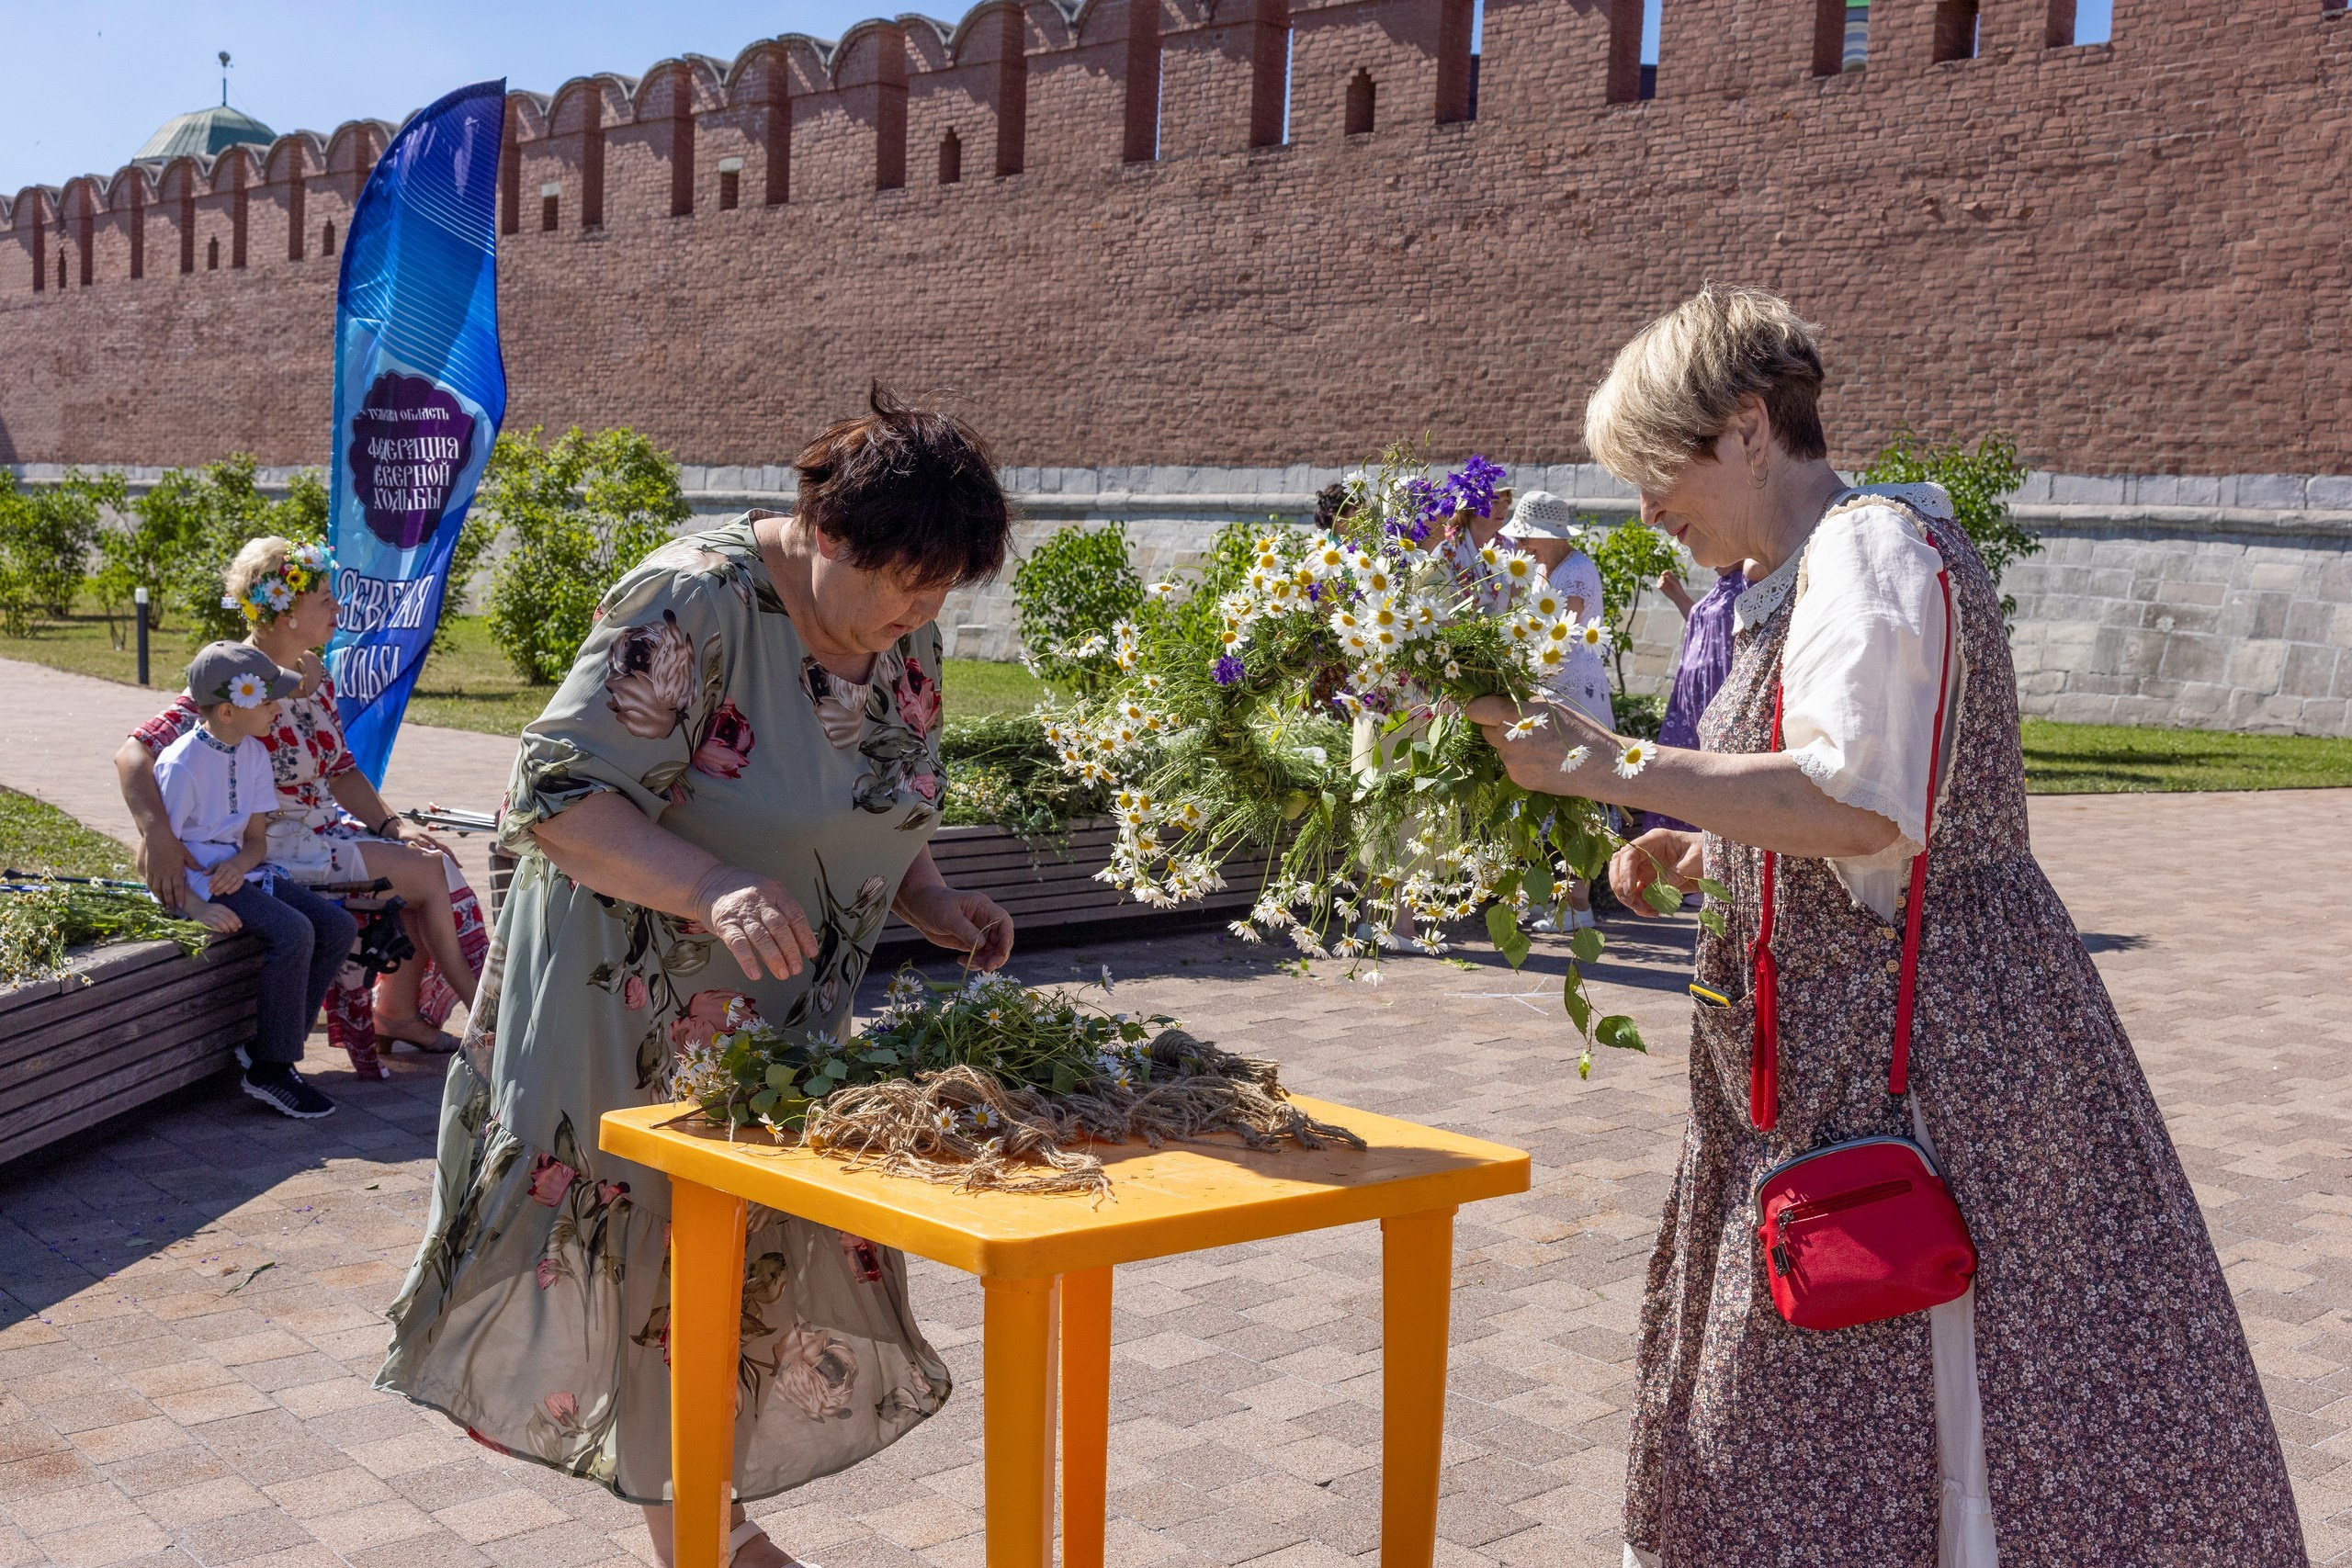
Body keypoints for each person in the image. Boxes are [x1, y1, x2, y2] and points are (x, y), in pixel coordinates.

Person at [1469, 286, 2302, 1567]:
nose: (1647, 511)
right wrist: (1713, 848)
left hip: (1909, 1068)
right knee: (1859, 1380)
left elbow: (1861, 803)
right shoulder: (1819, 564)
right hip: (1848, 1053)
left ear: (1749, 428)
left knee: (1906, 1368)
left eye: (1658, 472)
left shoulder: (1866, 548)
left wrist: (1606, 760)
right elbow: (1849, 803)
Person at [378, 386, 1019, 1568]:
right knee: (660, 1266)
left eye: (943, 591)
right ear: (832, 536)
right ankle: (712, 1540)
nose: (927, 614)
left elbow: (875, 791)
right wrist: (708, 886)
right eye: (911, 586)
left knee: (740, 1265)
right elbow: (557, 797)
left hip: (772, 1022)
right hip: (623, 1003)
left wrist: (932, 899)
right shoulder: (693, 598)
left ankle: (713, 1530)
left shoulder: (894, 624)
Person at [116, 536, 486, 1077]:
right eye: (325, 600)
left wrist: (392, 823)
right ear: (286, 612)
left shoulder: (314, 674)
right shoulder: (240, 679)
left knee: (428, 850)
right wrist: (161, 840)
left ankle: (399, 1014)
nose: (338, 609)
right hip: (275, 848)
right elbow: (133, 756)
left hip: (321, 833)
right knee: (427, 872)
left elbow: (339, 768)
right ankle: (489, 1027)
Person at [155, 643, 355, 1120]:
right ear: (228, 709)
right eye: (266, 701)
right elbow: (156, 852)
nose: (276, 708)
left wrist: (241, 866)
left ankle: (271, 1047)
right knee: (294, 932)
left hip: (242, 874)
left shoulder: (253, 753)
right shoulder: (181, 764)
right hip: (194, 884)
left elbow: (256, 843)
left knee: (337, 928)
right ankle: (271, 1066)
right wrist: (197, 907)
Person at [1643, 558, 1752, 835]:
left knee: (1706, 774)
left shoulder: (1751, 582)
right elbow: (1707, 627)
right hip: (1691, 699)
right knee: (1681, 771)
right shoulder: (1722, 585)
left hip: (1715, 693)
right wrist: (1677, 594)